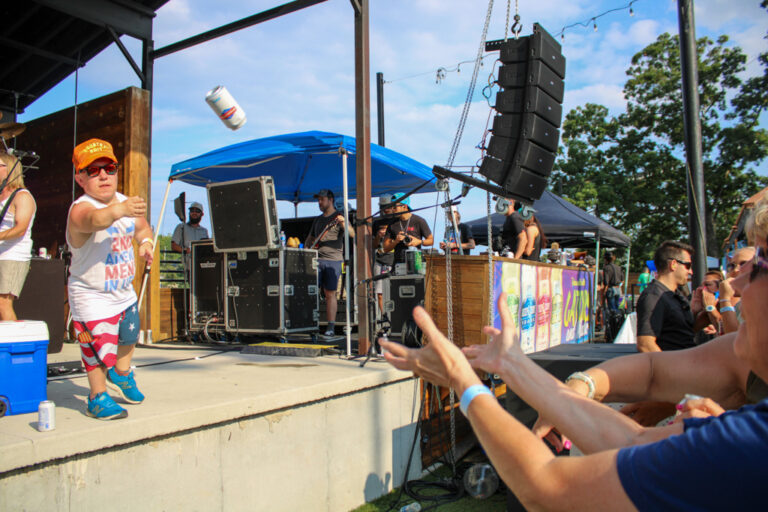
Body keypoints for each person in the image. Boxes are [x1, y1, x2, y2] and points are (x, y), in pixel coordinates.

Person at [380, 235, 768, 510]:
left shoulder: (753, 443)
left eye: (759, 264)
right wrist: (515, 366)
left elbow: (546, 487)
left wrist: (463, 384)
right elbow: (635, 437)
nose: (734, 282)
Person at [67, 139, 154, 420]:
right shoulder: (80, 208)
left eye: (109, 167)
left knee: (130, 335)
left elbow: (141, 227)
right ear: (81, 178)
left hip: (123, 292)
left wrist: (146, 243)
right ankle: (97, 397)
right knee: (97, 348)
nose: (104, 175)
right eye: (93, 170)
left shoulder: (124, 202)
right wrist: (121, 209)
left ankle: (123, 373)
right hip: (90, 295)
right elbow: (94, 220)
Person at [635, 240, 710, 352]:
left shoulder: (674, 294)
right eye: (688, 265)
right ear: (673, 264)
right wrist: (671, 368)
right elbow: (645, 344)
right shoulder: (653, 296)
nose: (691, 272)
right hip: (676, 365)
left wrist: (705, 315)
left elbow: (677, 335)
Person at [304, 189, 353, 337]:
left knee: (330, 294)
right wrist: (306, 250)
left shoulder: (339, 217)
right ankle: (310, 323)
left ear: (330, 200)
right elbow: (310, 238)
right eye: (318, 199)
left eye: (322, 199)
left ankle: (330, 326)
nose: (319, 202)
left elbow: (351, 234)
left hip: (333, 261)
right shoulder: (318, 220)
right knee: (311, 292)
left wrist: (343, 222)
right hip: (316, 260)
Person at [0, 152, 36, 321]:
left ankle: (13, 344)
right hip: (2, 254)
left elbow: (20, 228)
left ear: (10, 169)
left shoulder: (22, 196)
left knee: (3, 304)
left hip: (13, 256)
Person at [382, 193, 433, 266]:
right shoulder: (392, 224)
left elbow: (431, 241)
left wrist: (419, 241)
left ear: (404, 206)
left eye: (395, 207)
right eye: (391, 207)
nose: (393, 210)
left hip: (415, 263)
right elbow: (385, 248)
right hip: (398, 264)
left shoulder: (419, 221)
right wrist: (396, 241)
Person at [718, 246, 755, 334]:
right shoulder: (740, 305)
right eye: (731, 265)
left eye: (743, 264)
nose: (735, 270)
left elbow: (733, 340)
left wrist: (725, 299)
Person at [372, 194, 396, 315]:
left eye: (387, 206)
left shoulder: (397, 221)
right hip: (380, 261)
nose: (385, 209)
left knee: (393, 292)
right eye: (382, 207)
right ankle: (384, 318)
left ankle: (394, 318)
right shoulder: (376, 223)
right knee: (380, 293)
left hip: (394, 261)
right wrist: (378, 236)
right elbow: (374, 245)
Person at [171, 201, 209, 273]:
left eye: (197, 211)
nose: (194, 213)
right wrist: (186, 250)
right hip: (189, 267)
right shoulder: (181, 227)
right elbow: (173, 246)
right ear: (189, 213)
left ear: (202, 214)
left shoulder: (204, 231)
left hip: (203, 266)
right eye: (192, 211)